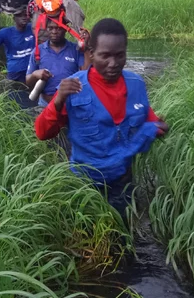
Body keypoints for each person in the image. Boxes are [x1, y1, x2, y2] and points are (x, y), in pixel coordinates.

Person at [34, 18, 169, 215]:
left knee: (123, 236)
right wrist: (58, 100)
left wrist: (158, 127)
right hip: (84, 185)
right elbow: (42, 132)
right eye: (105, 56)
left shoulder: (136, 84)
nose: (113, 63)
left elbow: (148, 120)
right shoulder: (72, 87)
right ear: (91, 54)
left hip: (122, 183)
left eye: (119, 55)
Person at [26, 17, 90, 107]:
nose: (54, 32)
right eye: (50, 28)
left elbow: (86, 74)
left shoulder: (75, 49)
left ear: (65, 29)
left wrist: (85, 48)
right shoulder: (38, 51)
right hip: (45, 105)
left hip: (70, 105)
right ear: (46, 29)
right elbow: (28, 82)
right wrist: (35, 74)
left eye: (58, 28)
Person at [0, 5, 34, 83]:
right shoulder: (5, 32)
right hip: (16, 73)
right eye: (19, 15)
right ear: (14, 18)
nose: (23, 17)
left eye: (25, 14)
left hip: (32, 70)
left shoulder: (33, 28)